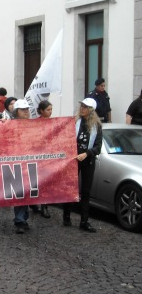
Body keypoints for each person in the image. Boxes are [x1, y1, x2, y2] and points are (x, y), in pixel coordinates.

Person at [63, 98, 102, 233]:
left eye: (85, 107)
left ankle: (84, 221)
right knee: (70, 188)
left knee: (86, 191)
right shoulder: (75, 121)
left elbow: (98, 147)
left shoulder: (97, 125)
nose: (82, 109)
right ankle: (66, 215)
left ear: (91, 110)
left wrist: (87, 153)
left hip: (88, 160)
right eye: (82, 106)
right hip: (74, 159)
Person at [11, 100, 33, 233]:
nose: (26, 112)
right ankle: (19, 220)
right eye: (23, 109)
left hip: (30, 163)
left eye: (27, 109)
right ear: (16, 112)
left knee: (27, 192)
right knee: (19, 192)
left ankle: (23, 217)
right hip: (16, 164)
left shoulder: (33, 125)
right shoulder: (10, 125)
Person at [35, 100, 53, 219]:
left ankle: (44, 206)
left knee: (46, 182)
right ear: (41, 111)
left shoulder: (54, 122)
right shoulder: (36, 123)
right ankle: (33, 203)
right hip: (37, 156)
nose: (50, 112)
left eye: (51, 109)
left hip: (49, 156)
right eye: (48, 110)